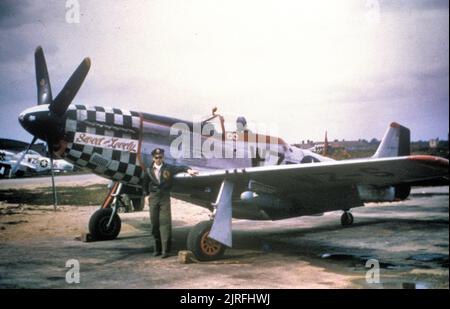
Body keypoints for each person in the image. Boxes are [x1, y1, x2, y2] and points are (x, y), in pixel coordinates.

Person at [143, 148, 198, 258]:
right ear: (153, 158)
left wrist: (188, 170)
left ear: (163, 157)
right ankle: (157, 248)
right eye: (156, 157)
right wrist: (146, 196)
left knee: (165, 223)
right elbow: (144, 183)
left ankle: (165, 251)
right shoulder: (148, 170)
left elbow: (180, 167)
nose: (159, 159)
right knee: (154, 224)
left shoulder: (169, 168)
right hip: (153, 198)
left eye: (161, 157)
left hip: (164, 197)